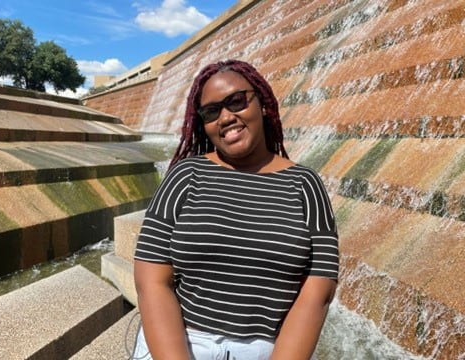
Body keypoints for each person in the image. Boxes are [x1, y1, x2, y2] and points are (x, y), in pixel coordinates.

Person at [133, 59, 339, 360]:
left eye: (237, 101)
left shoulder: (304, 184)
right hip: (179, 344)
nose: (226, 117)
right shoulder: (185, 175)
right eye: (211, 112)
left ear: (263, 104)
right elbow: (151, 280)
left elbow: (318, 291)